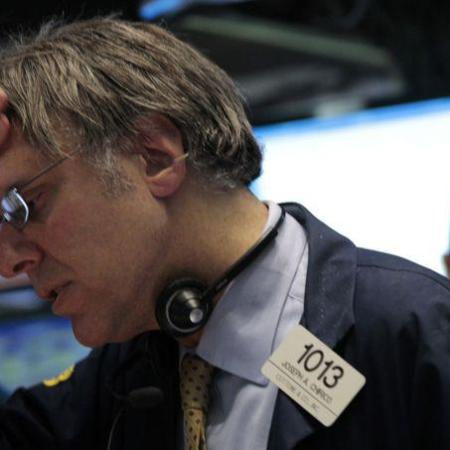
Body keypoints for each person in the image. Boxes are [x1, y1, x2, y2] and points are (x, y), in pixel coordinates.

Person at [0, 17, 448, 450]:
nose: (8, 263)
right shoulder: (123, 375)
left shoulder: (415, 333)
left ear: (155, 156)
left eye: (24, 206)